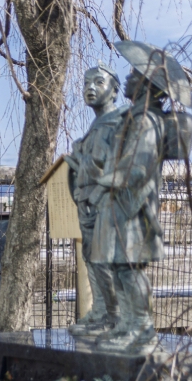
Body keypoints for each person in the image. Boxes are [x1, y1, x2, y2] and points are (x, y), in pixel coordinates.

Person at [90, 41, 192, 354]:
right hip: (120, 205)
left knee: (130, 269)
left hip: (134, 208)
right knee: (120, 268)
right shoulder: (134, 117)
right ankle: (128, 324)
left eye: (135, 76)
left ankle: (142, 328)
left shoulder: (147, 121)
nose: (129, 79)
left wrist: (102, 181)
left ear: (147, 86)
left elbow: (137, 169)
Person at [65, 62, 125, 337]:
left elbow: (118, 166)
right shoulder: (96, 125)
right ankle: (101, 311)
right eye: (86, 82)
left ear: (114, 90)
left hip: (107, 201)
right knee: (92, 258)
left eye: (98, 82)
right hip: (86, 201)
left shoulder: (119, 123)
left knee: (108, 259)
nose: (90, 87)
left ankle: (117, 316)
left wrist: (84, 162)